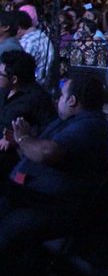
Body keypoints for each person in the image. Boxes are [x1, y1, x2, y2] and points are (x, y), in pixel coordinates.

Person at [0, 71, 108, 264]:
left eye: (61, 96)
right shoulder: (66, 121)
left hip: (51, 206)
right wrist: (20, 141)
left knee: (7, 230)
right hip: (29, 194)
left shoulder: (90, 125)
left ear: (72, 101)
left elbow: (46, 153)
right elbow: (33, 154)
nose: (57, 99)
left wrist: (24, 138)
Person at [0, 51, 56, 182]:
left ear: (14, 79)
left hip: (13, 158)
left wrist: (16, 139)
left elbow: (48, 134)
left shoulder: (38, 99)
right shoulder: (4, 91)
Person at [15, 11, 52, 86]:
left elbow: (20, 71)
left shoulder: (27, 43)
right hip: (44, 84)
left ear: (18, 28)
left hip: (31, 86)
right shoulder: (43, 36)